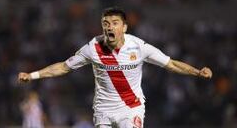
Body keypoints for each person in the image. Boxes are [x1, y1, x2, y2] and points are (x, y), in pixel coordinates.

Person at [18, 7, 212, 128]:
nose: (109, 27)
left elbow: (170, 64)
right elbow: (63, 67)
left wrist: (197, 71)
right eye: (105, 23)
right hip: (103, 111)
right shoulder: (93, 47)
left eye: (115, 23)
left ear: (125, 27)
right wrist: (33, 75)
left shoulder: (139, 46)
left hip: (131, 109)